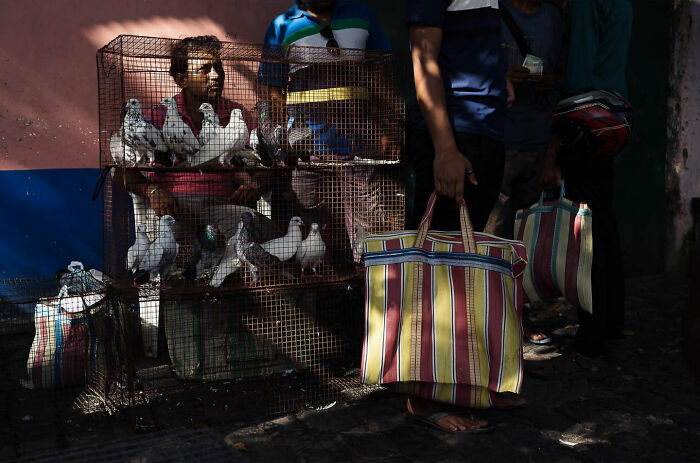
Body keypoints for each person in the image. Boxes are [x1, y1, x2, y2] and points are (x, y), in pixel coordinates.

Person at [405, 0, 524, 433]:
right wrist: (445, 150)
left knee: (467, 273)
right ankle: (424, 396)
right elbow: (425, 58)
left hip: (486, 130)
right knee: (438, 269)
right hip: (455, 138)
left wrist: (496, 82)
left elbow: (464, 53)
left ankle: (471, 383)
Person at [259, 0, 397, 264]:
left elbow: (380, 77)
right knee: (311, 223)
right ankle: (328, 279)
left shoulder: (362, 13)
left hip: (359, 147)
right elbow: (271, 91)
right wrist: (278, 140)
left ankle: (365, 282)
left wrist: (389, 127)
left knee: (367, 227)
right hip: (306, 149)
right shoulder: (282, 26)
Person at [539, 0, 633, 358]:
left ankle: (593, 329)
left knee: (586, 227)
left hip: (586, 120)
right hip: (612, 118)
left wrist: (556, 141)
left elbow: (578, 76)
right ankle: (610, 320)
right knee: (603, 222)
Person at [122, 36, 272, 249]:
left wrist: (255, 184)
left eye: (218, 68)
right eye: (205, 69)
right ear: (182, 80)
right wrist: (153, 191)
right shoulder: (158, 117)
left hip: (223, 206)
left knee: (261, 229)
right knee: (167, 248)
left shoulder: (237, 115)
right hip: (175, 206)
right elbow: (123, 172)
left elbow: (265, 164)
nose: (216, 76)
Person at [484, 0, 565, 344]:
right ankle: (489, 323)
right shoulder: (491, 13)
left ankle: (521, 318)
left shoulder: (554, 19)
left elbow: (566, 76)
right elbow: (467, 68)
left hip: (538, 138)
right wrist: (500, 78)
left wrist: (552, 82)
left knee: (526, 241)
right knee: (492, 235)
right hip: (498, 140)